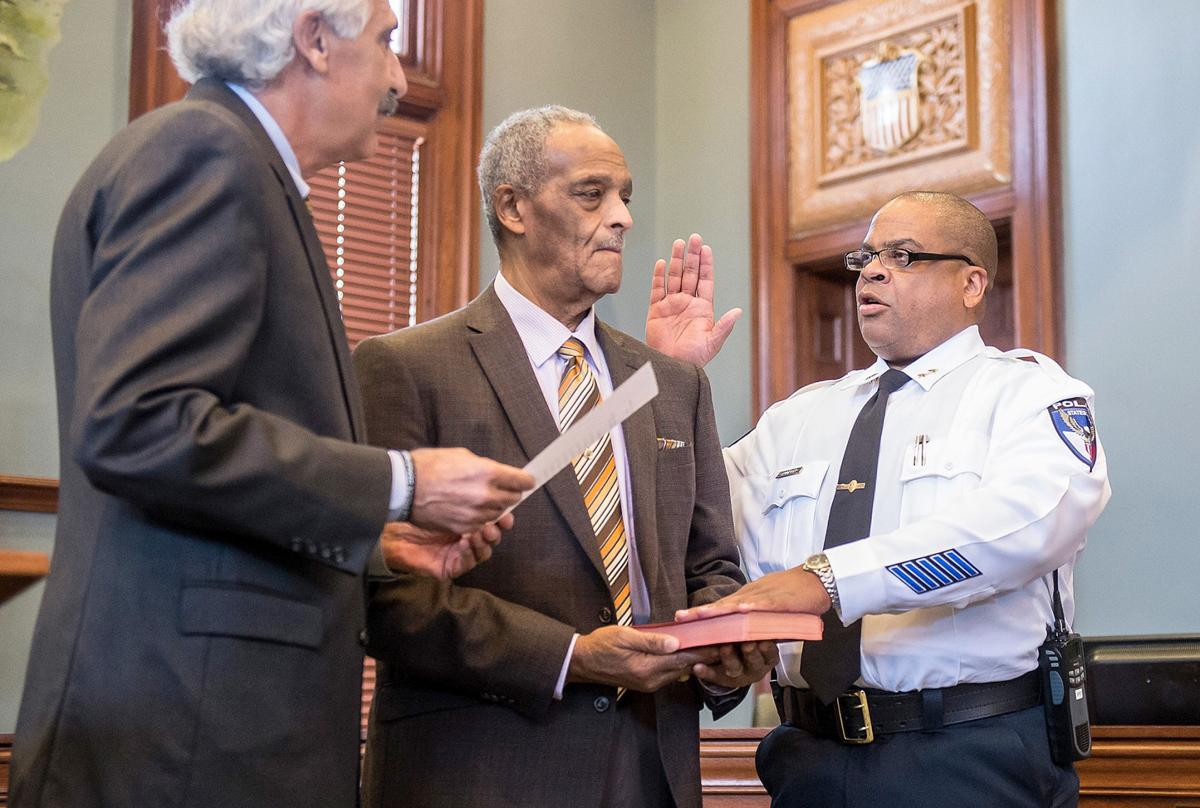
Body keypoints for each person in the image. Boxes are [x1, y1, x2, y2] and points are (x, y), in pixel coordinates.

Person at [10, 1, 534, 806]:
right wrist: (403, 481)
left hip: (202, 724)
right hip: (186, 736)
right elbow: (138, 424)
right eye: (387, 42)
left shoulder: (229, 163)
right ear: (314, 41)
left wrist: (380, 542)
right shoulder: (206, 155)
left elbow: (203, 478)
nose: (397, 77)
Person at [352, 105, 776, 808]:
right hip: (481, 772)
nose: (622, 218)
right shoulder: (405, 367)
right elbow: (389, 598)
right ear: (513, 207)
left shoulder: (670, 382)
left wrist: (724, 658)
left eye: (625, 197)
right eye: (592, 194)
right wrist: (572, 658)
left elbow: (710, 568)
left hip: (653, 770)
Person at [654, 191, 1111, 807]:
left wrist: (827, 581)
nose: (871, 270)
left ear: (972, 283)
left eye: (903, 256)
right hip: (806, 756)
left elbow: (1030, 524)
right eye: (866, 257)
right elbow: (679, 522)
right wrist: (668, 385)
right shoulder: (798, 417)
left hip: (966, 753)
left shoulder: (1027, 394)